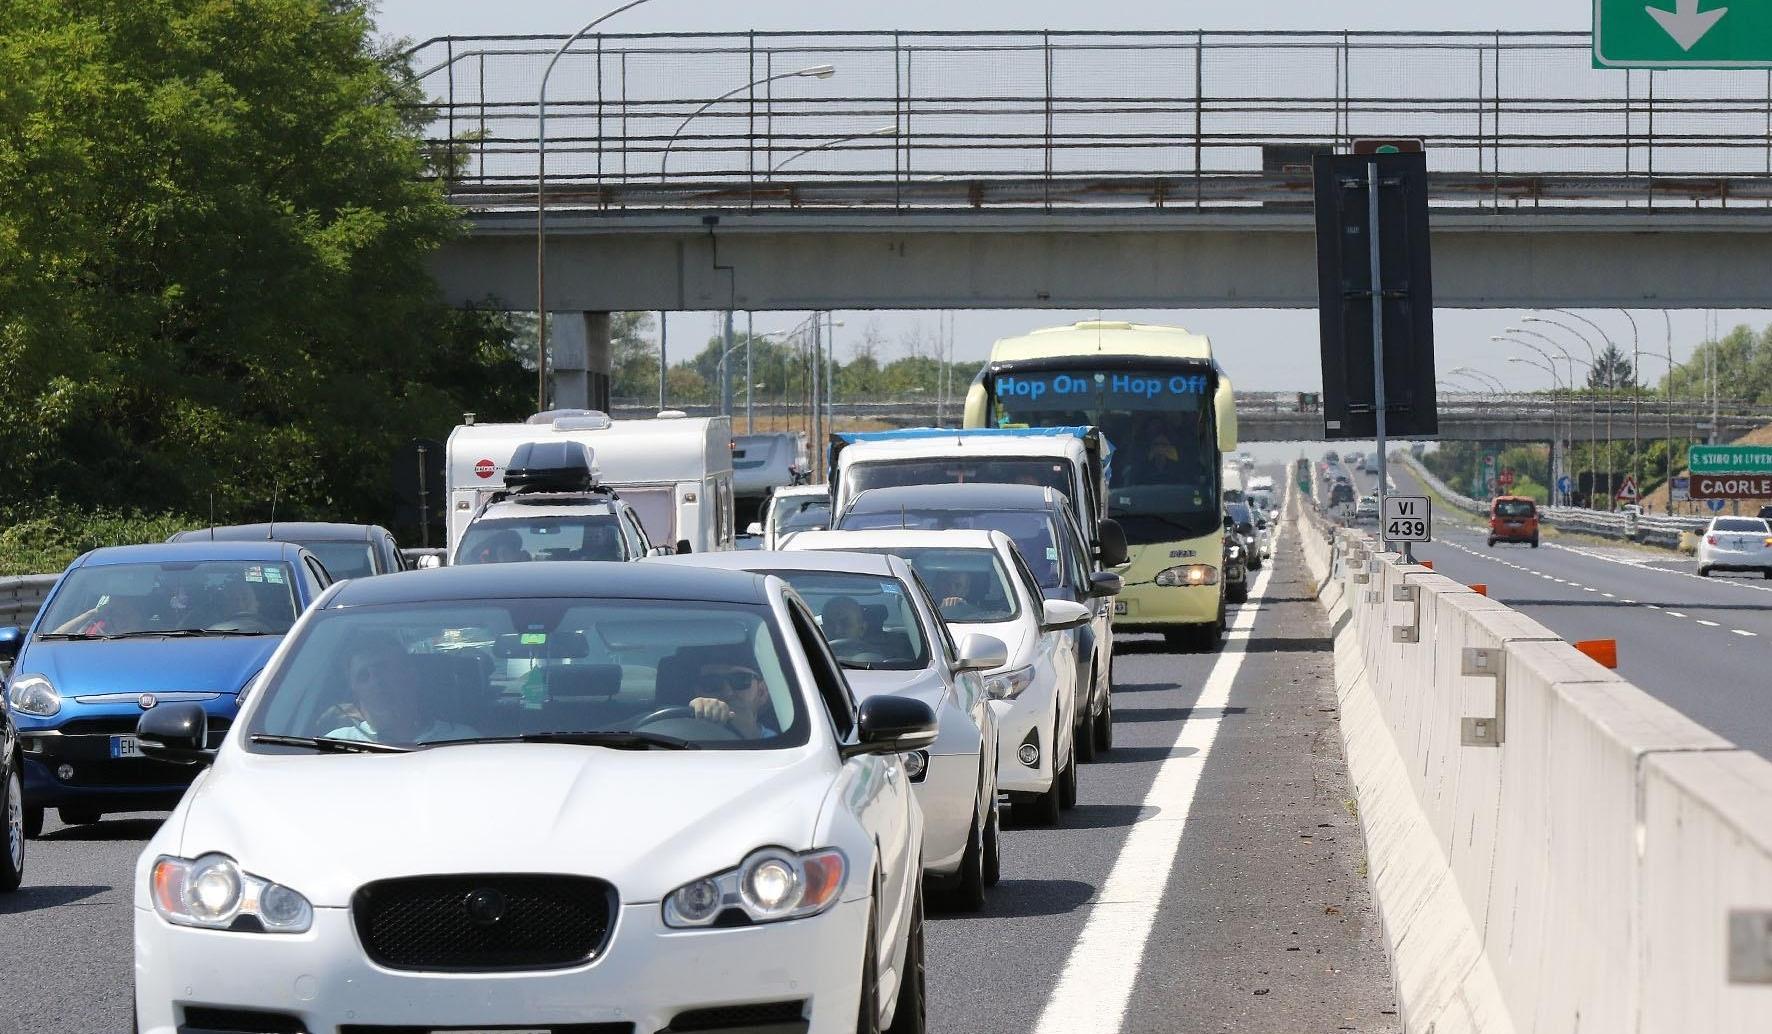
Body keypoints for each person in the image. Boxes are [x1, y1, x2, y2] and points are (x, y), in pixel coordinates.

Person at [326, 635, 476, 744]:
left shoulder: (463, 740)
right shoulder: (334, 746)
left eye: (383, 670)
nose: (375, 682)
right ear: (354, 691)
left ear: (411, 676)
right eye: (363, 676)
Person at [687, 662, 779, 739]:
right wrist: (692, 716)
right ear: (698, 693)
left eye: (740, 680)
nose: (728, 692)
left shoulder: (781, 746)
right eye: (712, 683)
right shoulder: (677, 737)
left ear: (761, 692)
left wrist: (750, 733)